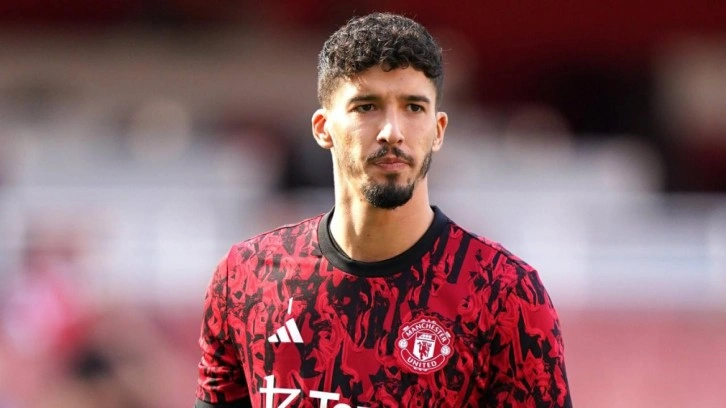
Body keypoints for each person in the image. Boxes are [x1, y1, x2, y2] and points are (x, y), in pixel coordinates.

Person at [195, 12, 572, 408]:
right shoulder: (245, 278)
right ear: (323, 128)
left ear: (438, 130)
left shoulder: (505, 294)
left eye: (413, 107)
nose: (392, 131)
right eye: (366, 106)